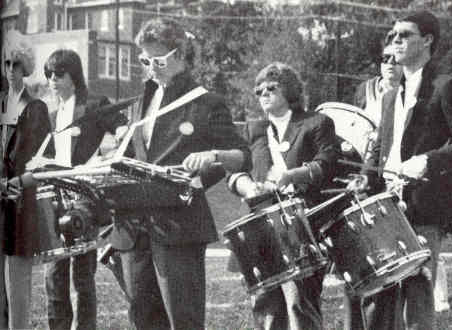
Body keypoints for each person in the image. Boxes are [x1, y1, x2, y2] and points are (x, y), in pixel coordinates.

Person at [108, 17, 250, 330]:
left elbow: (242, 156)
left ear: (181, 56)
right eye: (144, 60)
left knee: (183, 322)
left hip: (178, 226)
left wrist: (211, 158)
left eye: (157, 60)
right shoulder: (141, 102)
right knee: (144, 320)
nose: (150, 67)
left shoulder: (206, 103)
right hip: (134, 228)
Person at [345, 10, 452, 330]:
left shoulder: (446, 86)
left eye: (404, 35)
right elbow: (381, 146)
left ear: (428, 40)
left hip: (422, 203)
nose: (396, 42)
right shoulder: (392, 91)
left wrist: (427, 161)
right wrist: (366, 174)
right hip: (383, 203)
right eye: (393, 36)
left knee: (417, 294)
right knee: (382, 295)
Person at [228, 62, 341, 330]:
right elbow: (234, 173)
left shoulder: (316, 122)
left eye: (271, 87)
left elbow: (328, 162)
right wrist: (247, 186)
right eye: (258, 90)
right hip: (261, 224)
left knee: (300, 302)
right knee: (264, 303)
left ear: (290, 90)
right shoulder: (253, 129)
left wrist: (291, 175)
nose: (263, 94)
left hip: (302, 222)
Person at [40, 49, 128, 330]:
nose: (52, 80)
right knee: (53, 273)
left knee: (82, 275)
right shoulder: (50, 115)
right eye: (49, 74)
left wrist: (109, 156)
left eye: (59, 74)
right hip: (53, 197)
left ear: (74, 76)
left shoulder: (94, 104)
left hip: (84, 197)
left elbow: (123, 128)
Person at [0, 30, 51, 330]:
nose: (9, 70)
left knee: (17, 288)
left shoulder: (36, 108)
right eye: (6, 63)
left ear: (26, 67)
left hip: (20, 207)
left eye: (16, 64)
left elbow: (44, 161)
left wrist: (18, 183)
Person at [353, 44, 402, 126]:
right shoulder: (365, 90)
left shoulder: (412, 91)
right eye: (386, 58)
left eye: (396, 58)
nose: (390, 62)